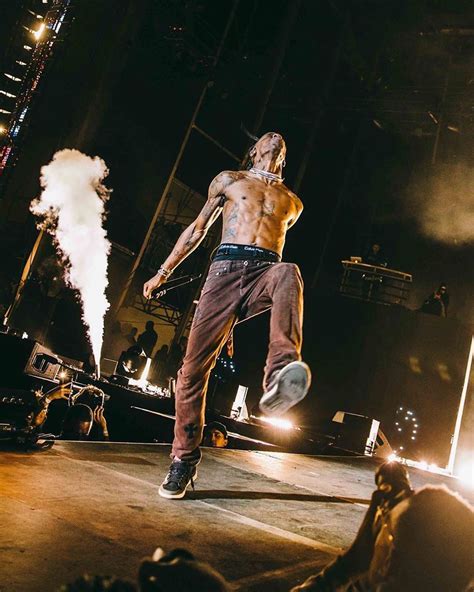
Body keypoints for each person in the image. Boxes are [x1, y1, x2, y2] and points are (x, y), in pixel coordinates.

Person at [144, 131, 311, 499]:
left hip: (264, 271)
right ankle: (184, 460)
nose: (274, 136)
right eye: (266, 135)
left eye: (280, 138)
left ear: (284, 156)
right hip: (225, 271)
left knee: (289, 272)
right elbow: (197, 230)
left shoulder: (292, 202)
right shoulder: (229, 180)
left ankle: (281, 371)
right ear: (254, 150)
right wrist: (163, 272)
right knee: (192, 371)